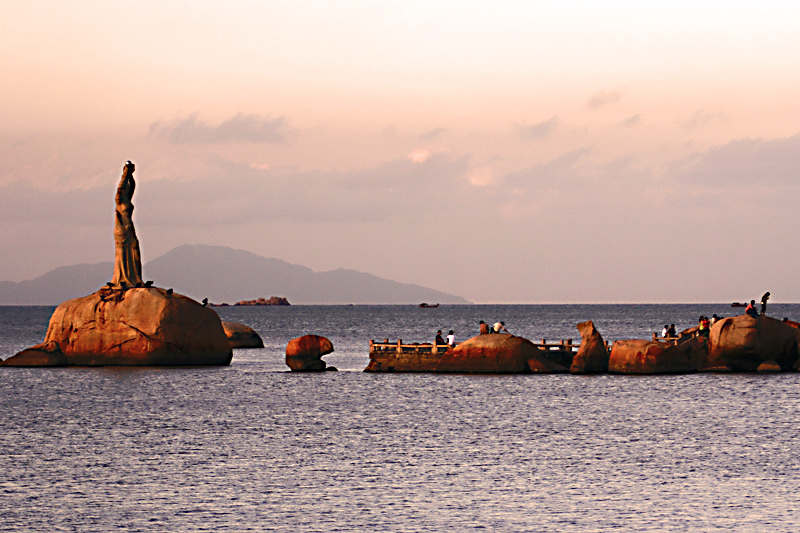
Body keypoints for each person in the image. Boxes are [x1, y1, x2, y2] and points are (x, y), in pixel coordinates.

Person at [112, 161, 143, 288]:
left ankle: (135, 278)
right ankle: (122, 278)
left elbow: (133, 187)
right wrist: (125, 174)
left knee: (135, 252)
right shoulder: (120, 202)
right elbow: (120, 188)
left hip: (129, 229)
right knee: (124, 254)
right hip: (122, 230)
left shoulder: (128, 200)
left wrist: (130, 175)